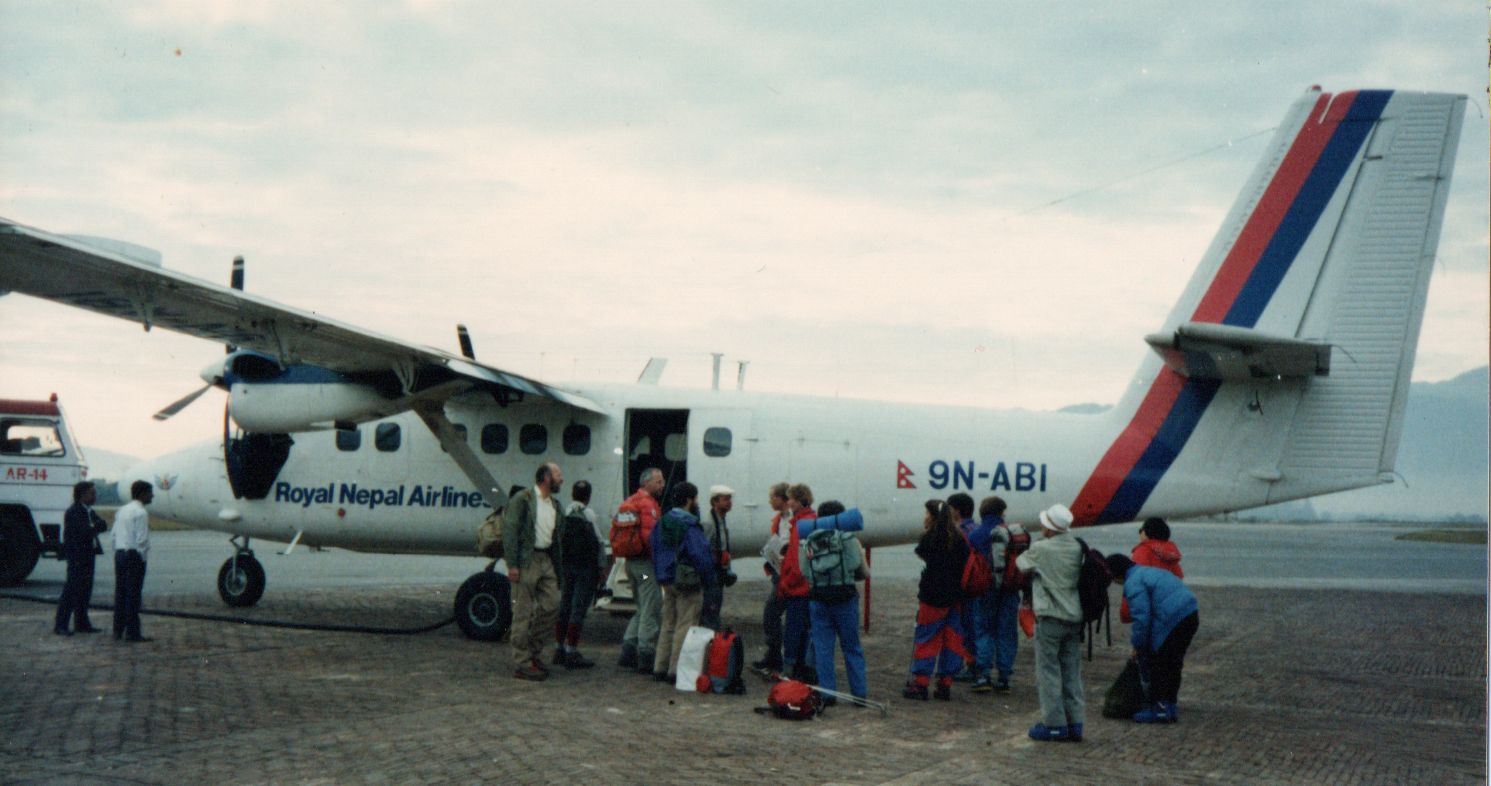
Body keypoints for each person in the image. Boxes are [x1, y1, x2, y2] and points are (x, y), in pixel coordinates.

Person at [1015, 503, 1085, 741]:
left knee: (1048, 671)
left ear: (1050, 526)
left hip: (1050, 616)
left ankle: (1054, 723)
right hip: (1074, 615)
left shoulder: (1042, 548)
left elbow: (1021, 564)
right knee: (1071, 671)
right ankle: (1075, 722)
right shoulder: (1076, 547)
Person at [1106, 553, 1199, 723]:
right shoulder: (1146, 571)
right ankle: (1170, 705)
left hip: (1174, 618)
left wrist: (1138, 646)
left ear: (1116, 574)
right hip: (1191, 612)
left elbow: (1142, 618)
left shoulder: (1133, 583)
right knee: (1174, 662)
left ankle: (1159, 709)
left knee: (1159, 663)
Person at [503, 462, 565, 681]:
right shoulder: (523, 499)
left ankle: (532, 651)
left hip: (546, 558)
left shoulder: (555, 505)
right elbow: (510, 531)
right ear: (546, 477)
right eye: (558, 475)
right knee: (523, 612)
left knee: (552, 605)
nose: (562, 479)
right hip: (527, 559)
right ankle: (522, 662)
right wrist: (512, 564)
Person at [903, 499, 970, 701]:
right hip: (956, 597)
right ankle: (945, 684)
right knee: (952, 640)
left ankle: (921, 683)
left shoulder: (929, 539)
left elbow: (924, 556)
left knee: (927, 638)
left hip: (932, 597)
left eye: (926, 514)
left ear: (932, 516)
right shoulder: (960, 539)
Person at [649, 482, 716, 681]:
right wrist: (709, 578)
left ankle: (659, 667)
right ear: (689, 500)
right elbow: (700, 555)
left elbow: (653, 548)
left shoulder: (661, 522)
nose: (696, 502)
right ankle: (675, 670)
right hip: (687, 582)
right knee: (684, 625)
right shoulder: (690, 525)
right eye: (695, 498)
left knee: (668, 623)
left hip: (666, 580)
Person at [805, 500, 869, 706]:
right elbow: (860, 569)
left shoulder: (807, 540)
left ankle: (827, 694)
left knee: (823, 649)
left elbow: (805, 572)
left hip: (819, 599)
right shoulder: (849, 539)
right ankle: (859, 694)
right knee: (852, 647)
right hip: (845, 599)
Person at [553, 480, 605, 669]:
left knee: (564, 605)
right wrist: (601, 568)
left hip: (567, 566)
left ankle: (558, 649)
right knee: (578, 609)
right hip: (585, 567)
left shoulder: (564, 512)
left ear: (572, 493)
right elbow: (598, 542)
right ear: (588, 496)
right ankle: (572, 651)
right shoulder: (587, 514)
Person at [617, 468, 665, 673]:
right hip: (645, 567)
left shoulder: (630, 502)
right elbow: (650, 537)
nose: (662, 485)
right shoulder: (647, 505)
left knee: (641, 605)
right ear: (646, 483)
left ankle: (628, 648)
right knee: (651, 605)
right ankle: (646, 652)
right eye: (658, 481)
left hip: (630, 565)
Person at [949, 492, 995, 691]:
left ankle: (971, 666)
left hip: (965, 586)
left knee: (967, 627)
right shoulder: (976, 528)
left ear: (957, 510)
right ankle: (976, 665)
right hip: (982, 583)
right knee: (978, 626)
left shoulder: (958, 531)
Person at [54, 481, 106, 636]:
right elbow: (84, 532)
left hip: (88, 554)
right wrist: (93, 527)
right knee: (71, 590)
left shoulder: (89, 511)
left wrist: (93, 527)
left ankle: (81, 623)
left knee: (85, 590)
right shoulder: (74, 511)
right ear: (82, 495)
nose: (95, 496)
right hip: (77, 556)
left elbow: (102, 525)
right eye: (92, 493)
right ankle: (61, 625)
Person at [980, 496, 1021, 693]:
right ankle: (1004, 677)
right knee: (1007, 632)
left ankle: (984, 674)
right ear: (1002, 512)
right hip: (1011, 588)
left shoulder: (978, 534)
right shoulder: (1013, 533)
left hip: (987, 589)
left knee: (985, 630)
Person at [778, 483, 816, 681]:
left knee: (793, 629)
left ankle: (790, 668)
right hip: (807, 587)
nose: (789, 503)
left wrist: (786, 582)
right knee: (807, 629)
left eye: (791, 499)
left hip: (797, 588)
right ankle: (806, 667)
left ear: (800, 501)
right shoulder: (809, 521)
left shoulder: (801, 526)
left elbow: (795, 559)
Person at [752, 482, 791, 671]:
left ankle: (775, 656)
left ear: (782, 498)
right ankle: (777, 655)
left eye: (772, 497)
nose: (769, 500)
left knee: (771, 612)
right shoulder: (781, 518)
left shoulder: (791, 519)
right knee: (774, 613)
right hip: (780, 572)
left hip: (788, 574)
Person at [112, 480, 153, 643]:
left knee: (121, 594)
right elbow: (142, 539)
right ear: (142, 494)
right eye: (150, 492)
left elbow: (114, 535)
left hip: (120, 554)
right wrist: (142, 558)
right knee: (133, 596)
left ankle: (118, 630)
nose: (152, 496)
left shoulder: (122, 510)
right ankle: (133, 633)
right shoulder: (141, 513)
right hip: (134, 556)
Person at [1121, 517, 1184, 623]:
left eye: (1141, 530)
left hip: (1150, 611)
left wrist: (1126, 613)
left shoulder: (1143, 551)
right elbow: (1179, 580)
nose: (1140, 533)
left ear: (1146, 533)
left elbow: (1135, 583)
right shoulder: (1170, 554)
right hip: (1172, 610)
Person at [699, 485, 737, 630]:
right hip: (712, 574)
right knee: (711, 611)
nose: (729, 502)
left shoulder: (720, 519)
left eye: (730, 499)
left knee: (714, 608)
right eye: (725, 499)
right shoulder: (709, 523)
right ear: (715, 501)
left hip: (719, 572)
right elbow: (704, 550)